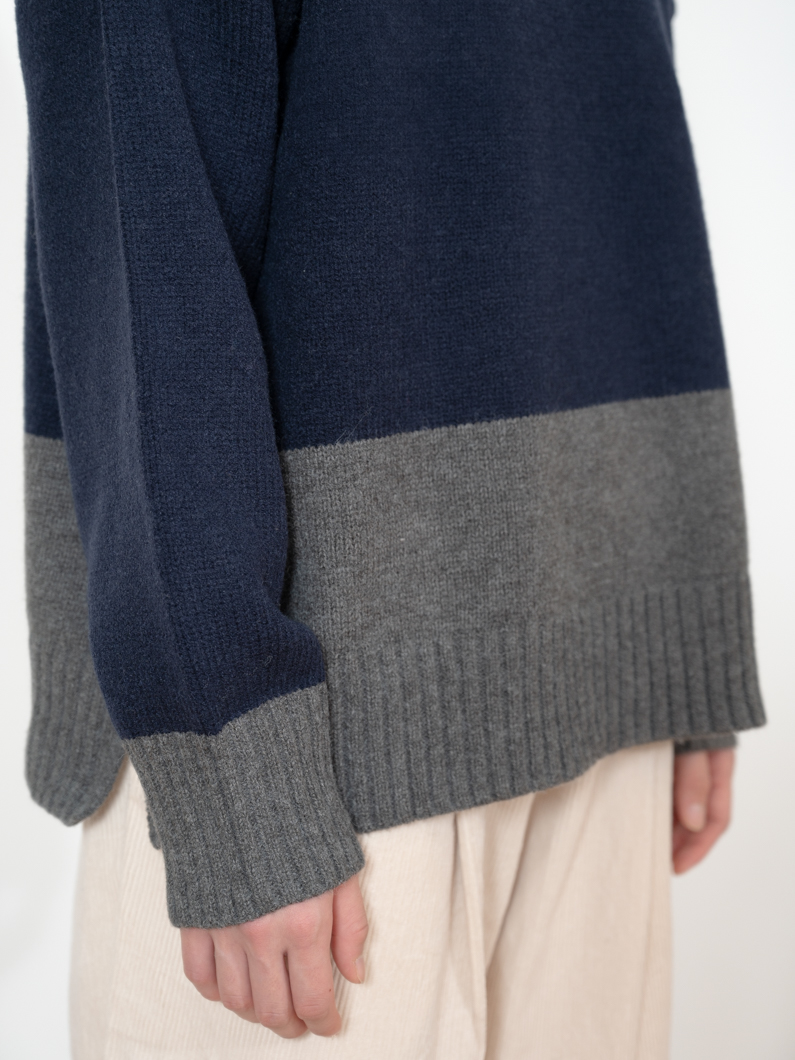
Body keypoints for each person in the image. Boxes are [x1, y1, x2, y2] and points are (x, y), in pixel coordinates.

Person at [15, 0, 765, 1056]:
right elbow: (144, 184)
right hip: (322, 742)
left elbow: (605, 113)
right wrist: (234, 764)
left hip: (605, 689)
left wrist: (675, 622)